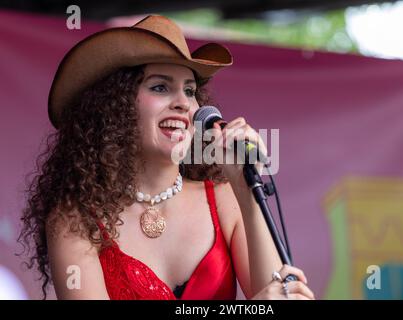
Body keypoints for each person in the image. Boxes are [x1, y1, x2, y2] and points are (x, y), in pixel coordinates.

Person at [19, 14, 315, 300]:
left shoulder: (225, 200)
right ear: (115, 107)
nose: (183, 104)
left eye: (190, 90)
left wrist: (244, 188)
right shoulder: (75, 219)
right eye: (161, 87)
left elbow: (279, 296)